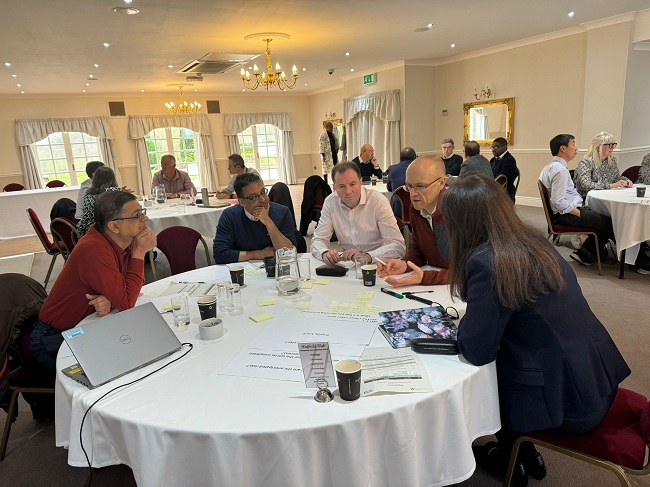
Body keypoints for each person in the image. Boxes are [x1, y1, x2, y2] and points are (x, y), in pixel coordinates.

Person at [442, 175, 630, 487]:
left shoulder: (488, 262)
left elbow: (476, 350)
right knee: (512, 351)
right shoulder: (534, 241)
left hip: (569, 408)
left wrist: (456, 329)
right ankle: (521, 450)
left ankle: (510, 456)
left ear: (462, 223)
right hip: (596, 382)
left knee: (483, 371)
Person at [30, 191, 156, 371]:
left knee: (145, 347)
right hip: (56, 338)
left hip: (87, 326)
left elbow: (129, 289)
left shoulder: (118, 241)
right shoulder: (94, 249)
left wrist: (111, 298)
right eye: (137, 215)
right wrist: (139, 253)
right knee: (125, 366)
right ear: (114, 226)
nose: (145, 218)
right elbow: (128, 302)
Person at [540, 134, 616, 266]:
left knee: (604, 220)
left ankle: (585, 253)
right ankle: (638, 259)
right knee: (611, 223)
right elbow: (558, 201)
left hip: (566, 211)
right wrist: (580, 213)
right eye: (573, 144)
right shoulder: (560, 171)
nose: (576, 148)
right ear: (563, 148)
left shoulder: (551, 166)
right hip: (566, 214)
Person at [310, 162, 405, 264]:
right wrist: (324, 253)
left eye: (352, 184)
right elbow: (318, 240)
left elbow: (398, 246)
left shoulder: (378, 201)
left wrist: (367, 256)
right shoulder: (330, 202)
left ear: (360, 182)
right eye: (342, 186)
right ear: (334, 187)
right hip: (347, 264)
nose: (348, 191)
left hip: (377, 262)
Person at [378, 154, 449, 286]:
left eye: (421, 186)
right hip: (437, 282)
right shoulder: (416, 209)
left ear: (441, 183)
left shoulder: (459, 211)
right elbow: (420, 250)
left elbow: (468, 270)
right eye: (409, 186)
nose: (413, 194)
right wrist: (405, 264)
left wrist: (424, 277)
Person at [213, 173, 296, 264]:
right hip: (244, 271)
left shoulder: (282, 212)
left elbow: (289, 252)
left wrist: (268, 221)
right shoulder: (230, 216)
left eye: (263, 192)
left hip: (278, 269)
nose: (263, 199)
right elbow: (220, 254)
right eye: (254, 197)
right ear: (242, 202)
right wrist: (259, 254)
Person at [574, 131, 631, 199]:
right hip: (588, 199)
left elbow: (616, 178)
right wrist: (610, 186)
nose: (612, 147)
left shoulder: (612, 160)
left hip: (607, 195)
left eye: (613, 145)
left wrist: (626, 181)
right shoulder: (586, 162)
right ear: (598, 147)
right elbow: (586, 185)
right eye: (609, 145)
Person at [77, 166, 121, 236]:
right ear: (112, 178)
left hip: (85, 231)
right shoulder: (114, 192)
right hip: (104, 232)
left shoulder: (89, 193)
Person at [386, 147, 417, 218]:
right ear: (414, 158)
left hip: (399, 209)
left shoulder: (392, 169)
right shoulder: (419, 169)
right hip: (417, 209)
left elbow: (389, 188)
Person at [489, 137, 518, 201]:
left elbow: (501, 179)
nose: (493, 149)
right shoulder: (493, 160)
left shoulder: (509, 160)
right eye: (492, 147)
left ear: (504, 147)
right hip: (493, 189)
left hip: (504, 192)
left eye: (496, 147)